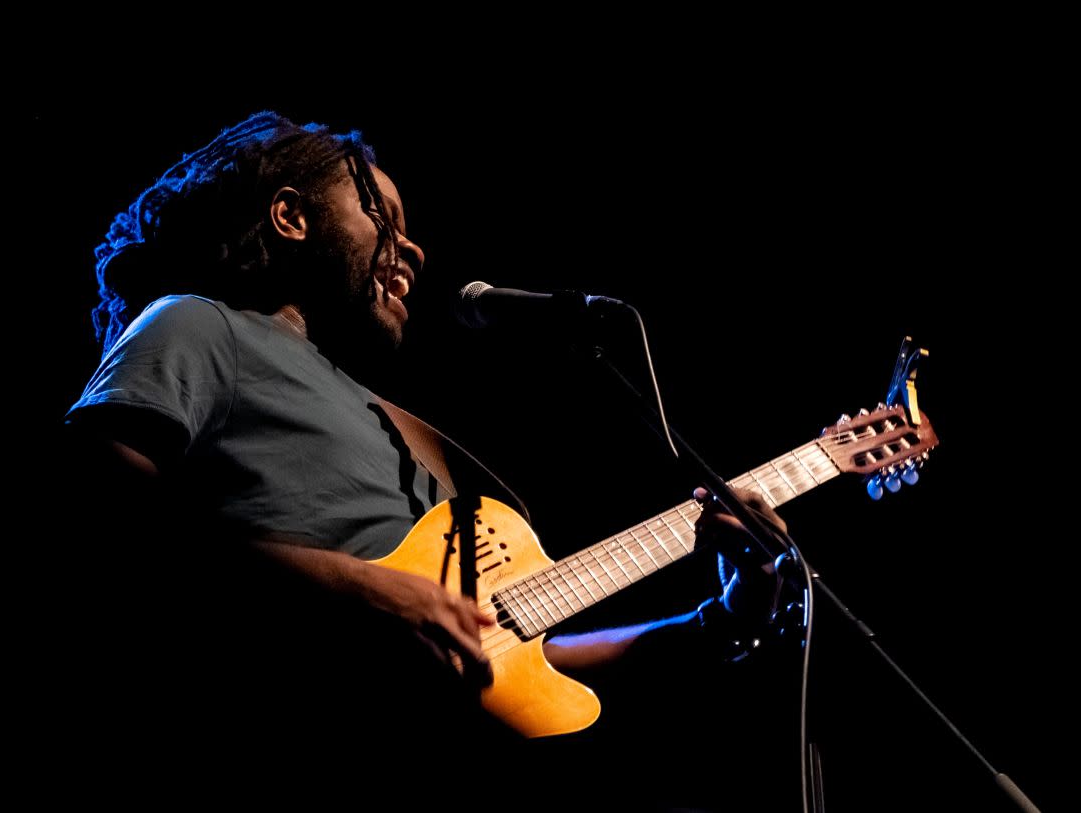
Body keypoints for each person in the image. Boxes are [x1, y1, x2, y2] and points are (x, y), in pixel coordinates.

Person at [60, 112, 789, 800]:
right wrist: (361, 588)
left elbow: (515, 663)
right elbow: (104, 504)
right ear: (291, 217)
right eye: (382, 215)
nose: (411, 249)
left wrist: (719, 618)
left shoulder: (402, 432)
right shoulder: (198, 324)